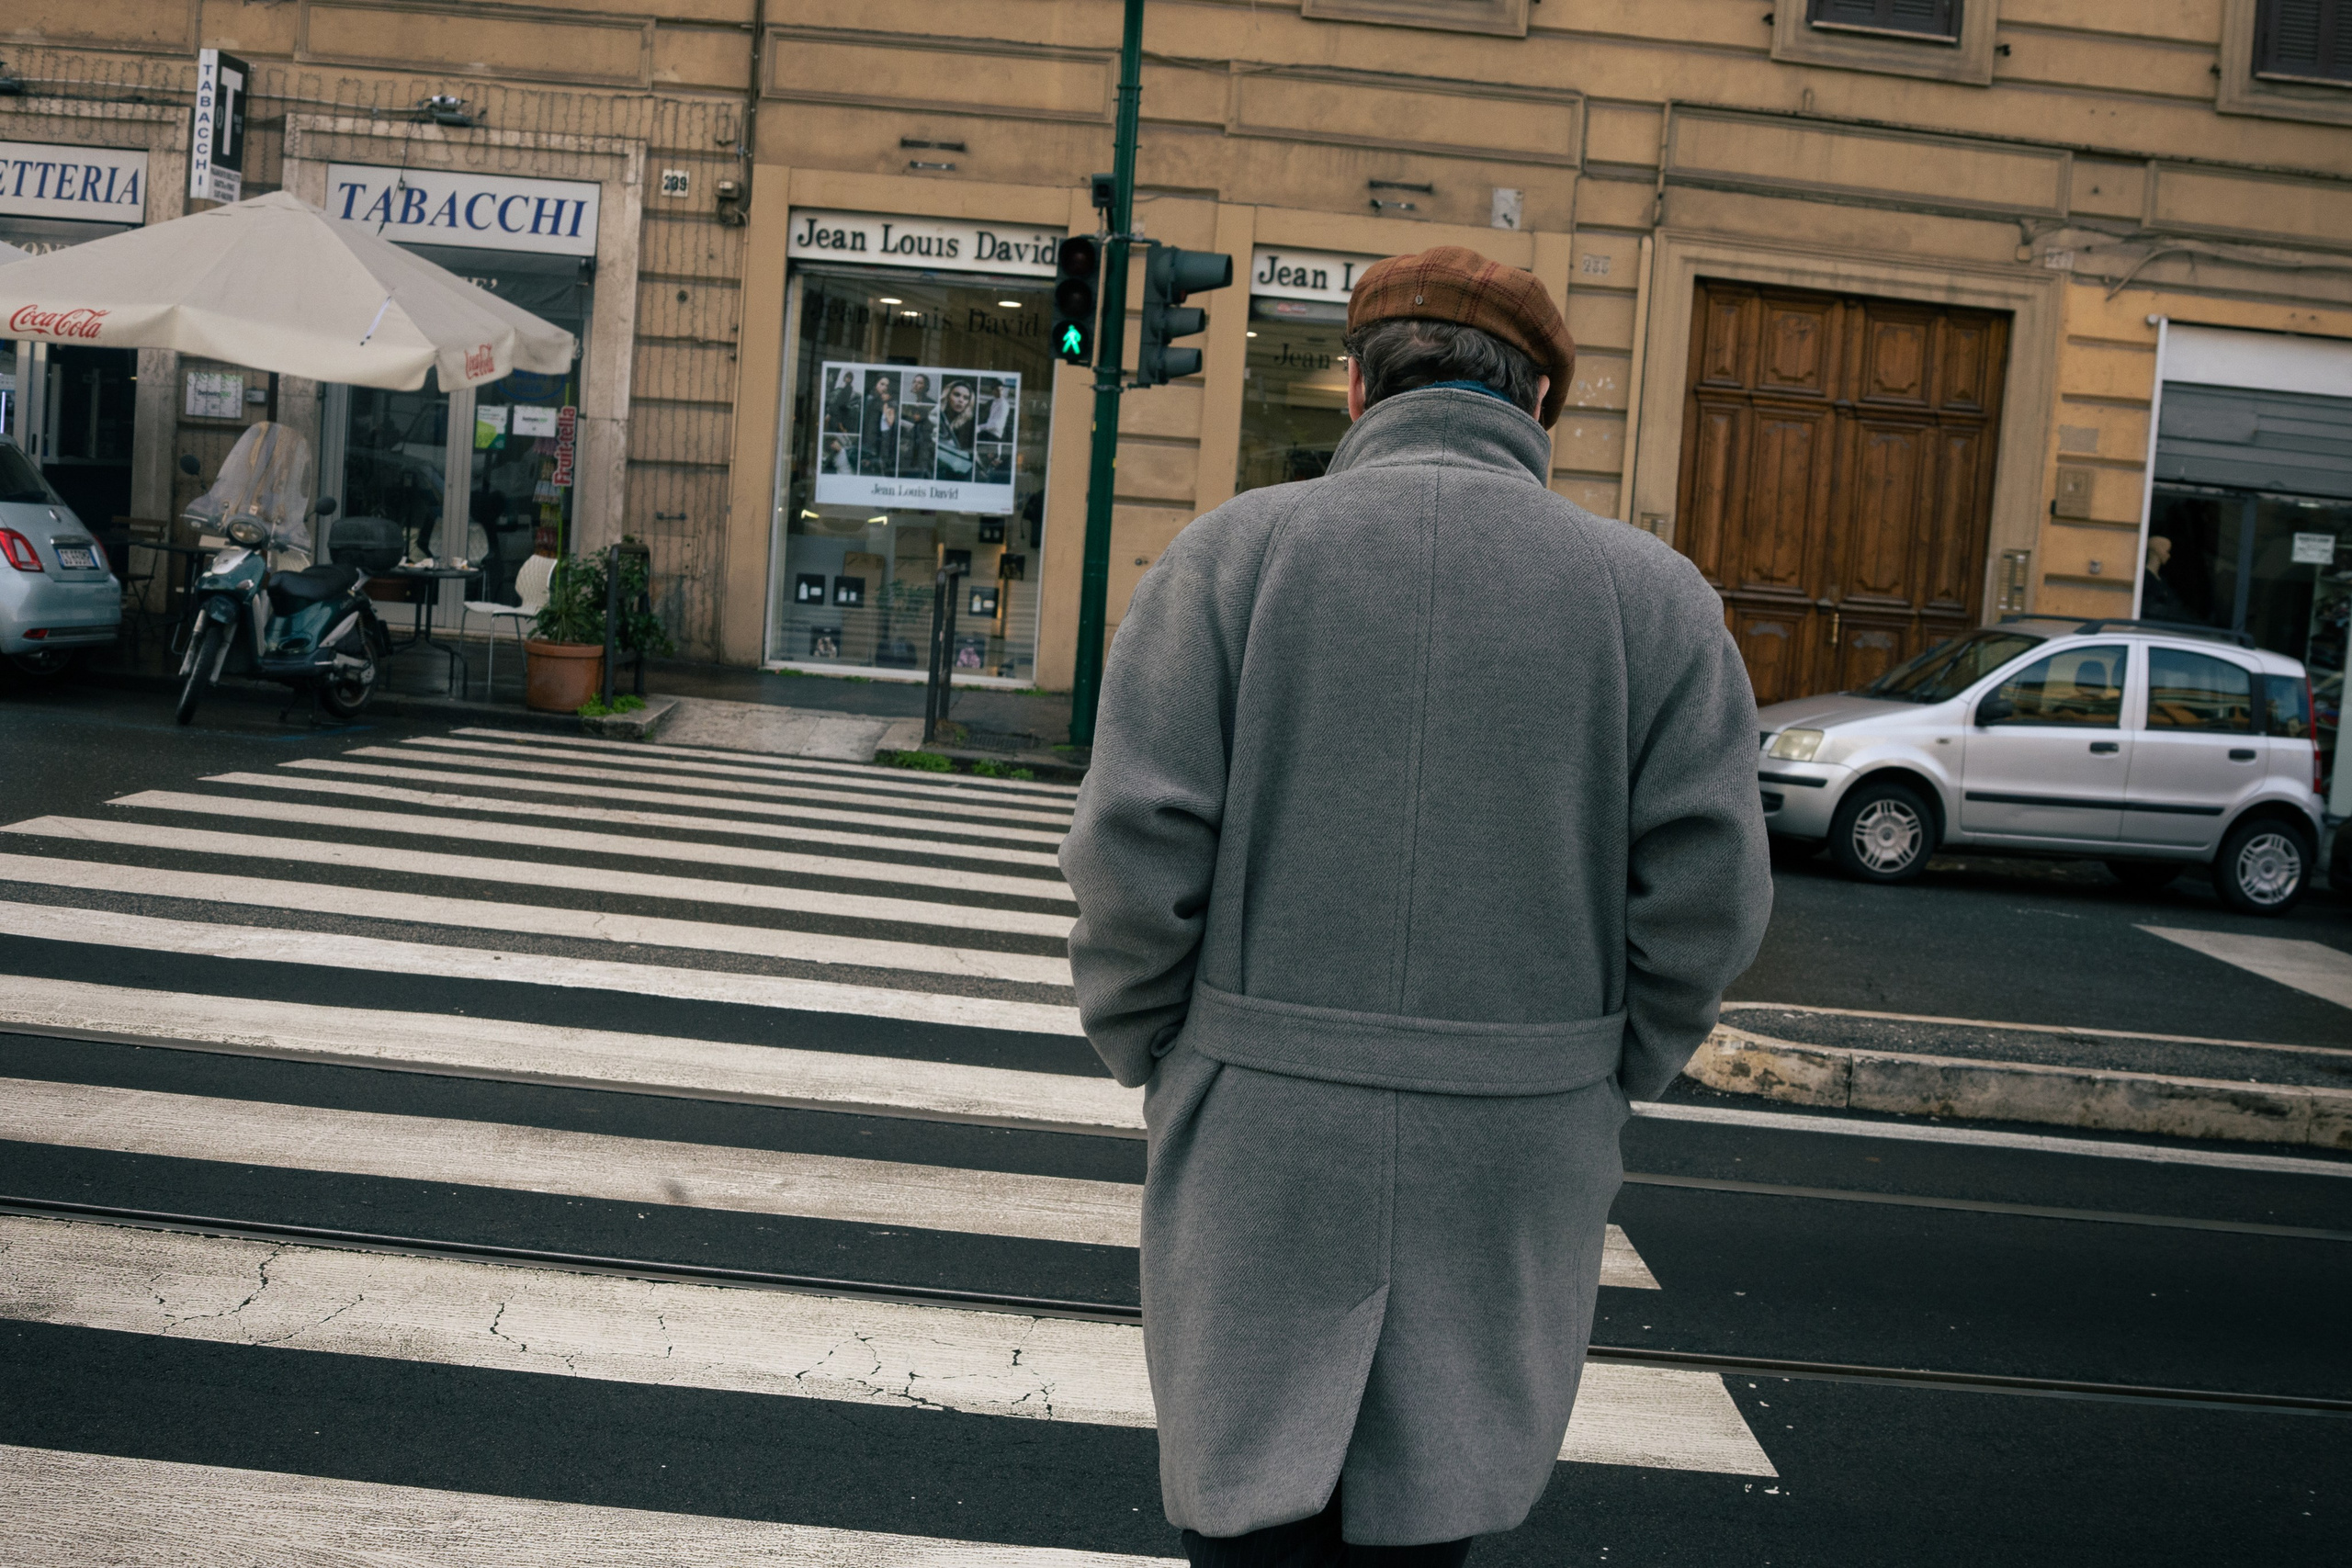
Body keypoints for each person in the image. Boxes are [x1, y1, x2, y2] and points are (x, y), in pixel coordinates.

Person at [1060, 246, 1772, 1566]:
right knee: (1434, 1517)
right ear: (1543, 404)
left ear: (1356, 387)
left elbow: (1131, 849)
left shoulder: (1230, 558)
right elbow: (1708, 895)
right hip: (1517, 1136)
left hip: (1259, 1121)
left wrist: (1158, 1054)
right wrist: (1607, 1075)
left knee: (1248, 1517)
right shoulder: (1656, 602)